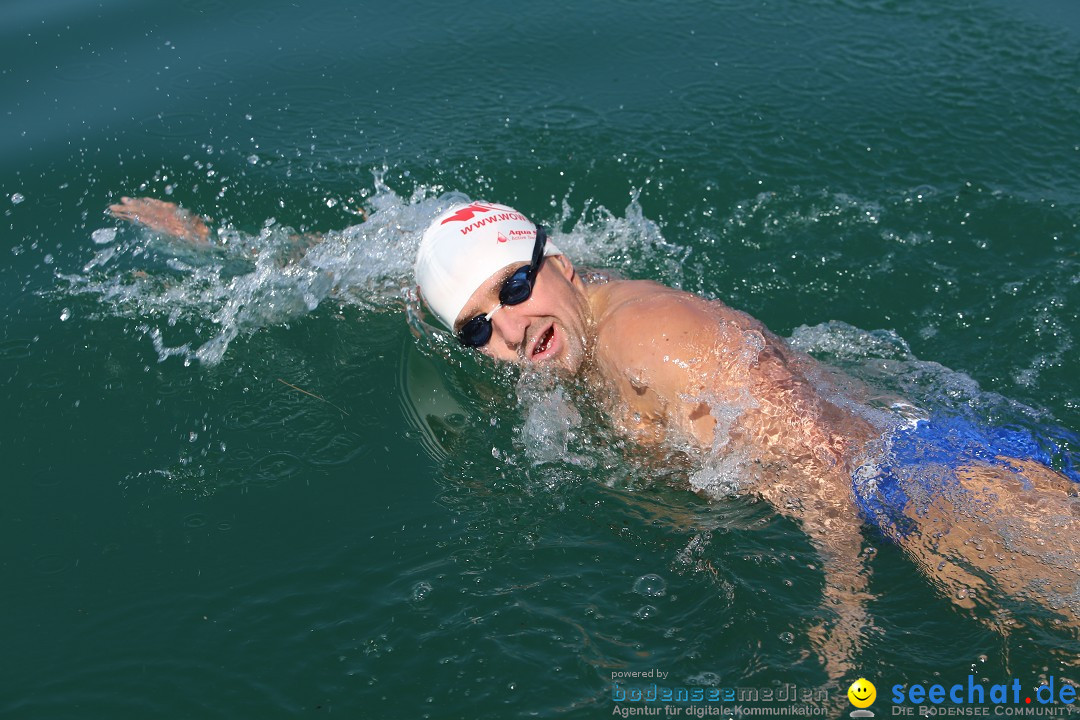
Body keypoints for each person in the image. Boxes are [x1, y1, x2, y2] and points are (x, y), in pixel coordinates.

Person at [109, 196, 1080, 678]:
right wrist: (223, 250)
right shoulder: (559, 322)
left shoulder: (658, 339)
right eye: (477, 325)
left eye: (520, 289)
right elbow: (378, 264)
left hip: (914, 482)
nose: (512, 326)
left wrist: (843, 628)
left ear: (561, 266)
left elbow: (822, 464)